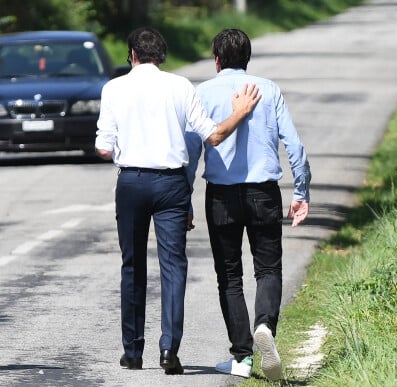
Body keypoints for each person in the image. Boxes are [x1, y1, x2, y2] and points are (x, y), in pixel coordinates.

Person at [94, 27, 261, 375]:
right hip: (171, 184)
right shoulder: (181, 86)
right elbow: (212, 135)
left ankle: (133, 351)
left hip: (132, 182)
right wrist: (238, 114)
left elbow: (104, 147)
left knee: (133, 264)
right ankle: (169, 350)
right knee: (173, 267)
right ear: (162, 56)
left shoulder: (114, 88)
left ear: (132, 55)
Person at [185, 28, 311, 381]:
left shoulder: (203, 93)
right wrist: (301, 192)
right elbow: (295, 148)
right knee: (268, 268)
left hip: (222, 195)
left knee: (229, 276)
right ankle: (265, 327)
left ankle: (242, 357)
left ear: (216, 60)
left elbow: (190, 155)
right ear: (248, 58)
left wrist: (184, 200)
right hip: (263, 192)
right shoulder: (268, 90)